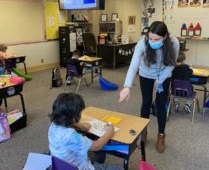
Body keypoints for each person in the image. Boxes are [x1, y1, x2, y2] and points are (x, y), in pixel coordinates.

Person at [118, 21, 179, 153]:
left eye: (157, 39)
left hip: (164, 75)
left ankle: (161, 135)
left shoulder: (174, 43)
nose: (153, 41)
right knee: (146, 102)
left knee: (160, 104)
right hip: (146, 74)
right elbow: (134, 64)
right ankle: (143, 133)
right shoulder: (143, 43)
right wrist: (127, 86)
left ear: (165, 37)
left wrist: (160, 80)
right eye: (150, 38)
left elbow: (171, 64)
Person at [48, 93, 123, 170]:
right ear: (74, 117)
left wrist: (80, 125)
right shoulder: (71, 136)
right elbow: (97, 146)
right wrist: (110, 132)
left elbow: (67, 122)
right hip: (79, 168)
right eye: (79, 113)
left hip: (59, 165)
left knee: (96, 152)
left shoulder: (53, 125)